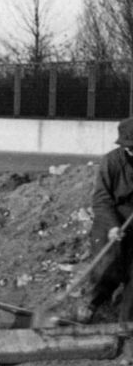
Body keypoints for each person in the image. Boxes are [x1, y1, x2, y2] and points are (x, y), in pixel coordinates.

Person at [78, 117, 133, 323]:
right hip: (110, 217)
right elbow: (101, 200)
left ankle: (126, 325)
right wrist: (112, 226)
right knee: (108, 264)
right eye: (129, 148)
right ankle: (91, 304)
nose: (132, 152)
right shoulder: (111, 162)